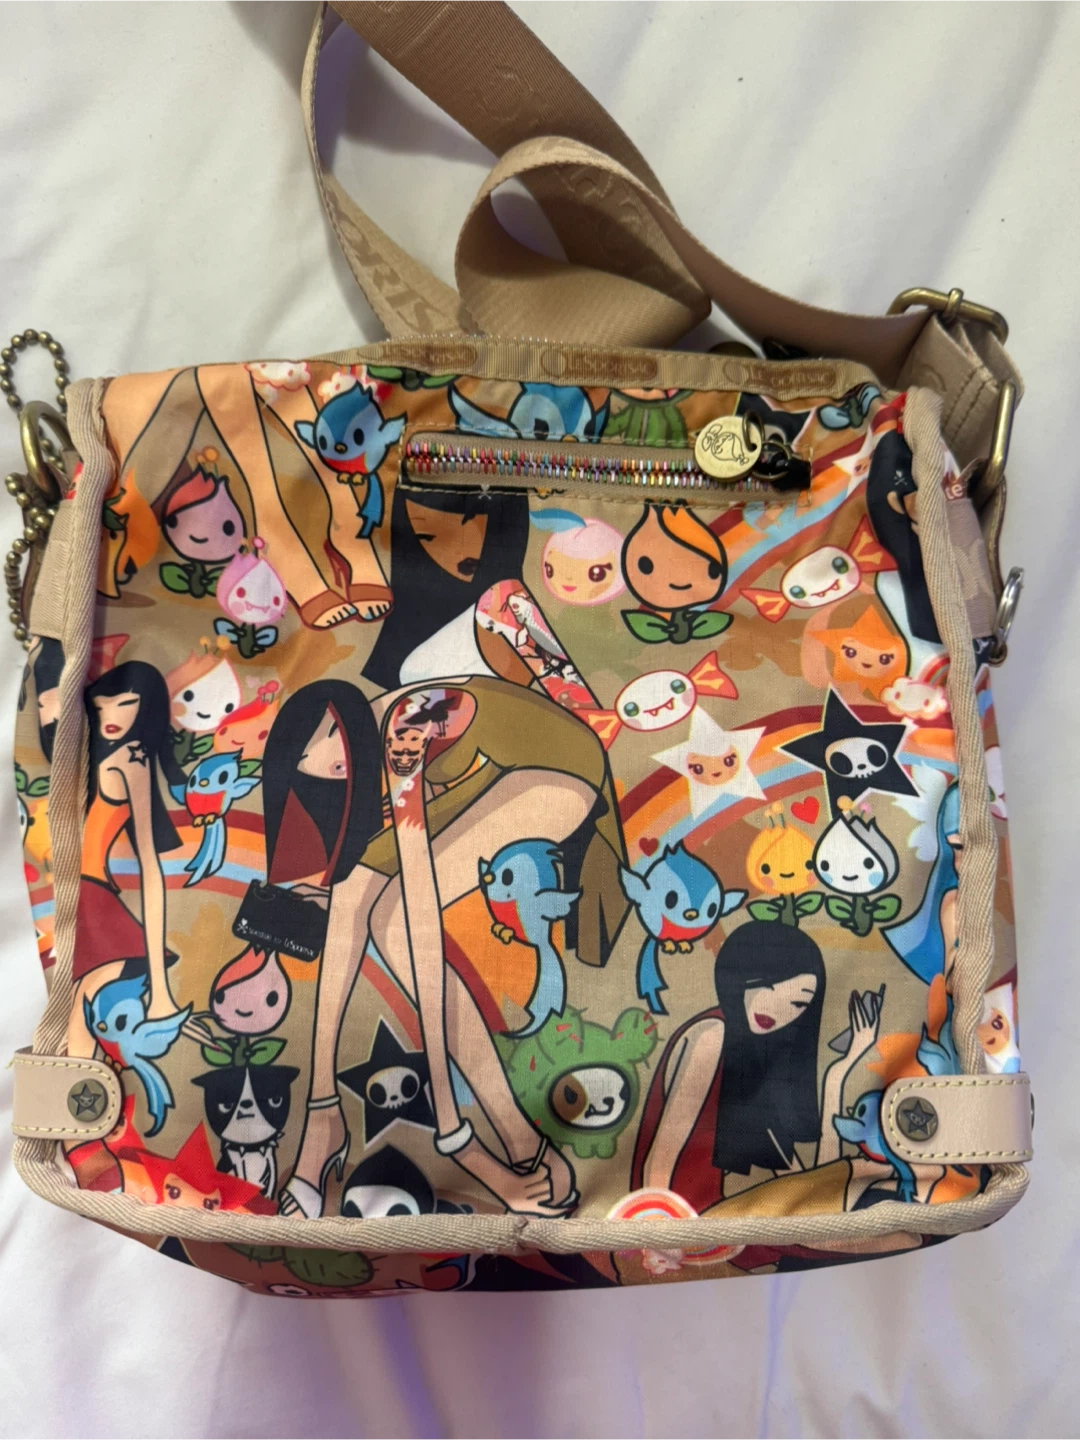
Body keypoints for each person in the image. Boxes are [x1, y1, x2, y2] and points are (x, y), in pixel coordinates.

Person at [631, 920, 825, 1210]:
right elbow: (662, 1156)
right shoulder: (713, 1033)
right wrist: (654, 1221)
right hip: (670, 1214)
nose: (775, 1008)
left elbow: (779, 1157)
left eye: (797, 1004)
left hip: (713, 1215)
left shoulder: (755, 1051)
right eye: (765, 985)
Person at [68, 661, 188, 1056]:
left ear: (146, 706)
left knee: (84, 998)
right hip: (88, 892)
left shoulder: (131, 760)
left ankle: (75, 1081)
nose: (110, 716)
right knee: (84, 998)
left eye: (125, 703)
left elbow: (150, 865)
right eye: (101, 706)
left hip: (93, 893)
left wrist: (162, 991)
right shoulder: (113, 755)